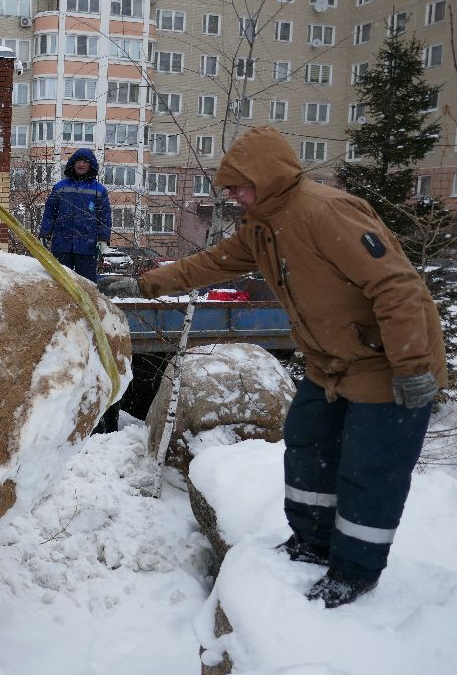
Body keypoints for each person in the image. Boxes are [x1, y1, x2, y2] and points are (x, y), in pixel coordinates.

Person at [99, 126, 446, 608]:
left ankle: (355, 572)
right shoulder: (263, 226)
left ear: (265, 175)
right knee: (306, 448)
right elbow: (213, 262)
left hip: (385, 363)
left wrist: (411, 366)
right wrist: (147, 283)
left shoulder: (326, 212)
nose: (233, 197)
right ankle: (311, 542)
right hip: (329, 365)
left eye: (239, 186)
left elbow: (397, 287)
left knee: (370, 471)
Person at [38, 148, 112, 283]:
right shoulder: (60, 187)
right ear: (73, 163)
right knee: (60, 284)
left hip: (87, 247)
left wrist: (103, 238)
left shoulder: (99, 190)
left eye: (85, 162)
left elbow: (104, 216)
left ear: (91, 165)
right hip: (62, 246)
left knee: (87, 285)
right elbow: (50, 212)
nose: (81, 164)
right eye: (78, 161)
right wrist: (45, 234)